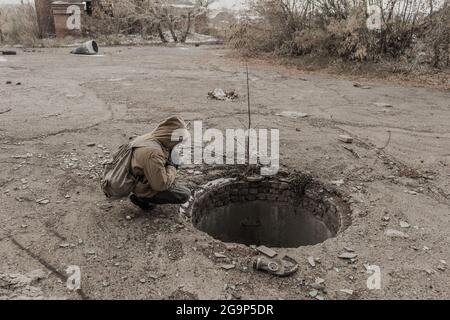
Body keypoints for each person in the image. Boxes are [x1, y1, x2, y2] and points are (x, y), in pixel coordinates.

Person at [128, 116, 191, 210]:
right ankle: (143, 198)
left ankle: (166, 182)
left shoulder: (152, 138)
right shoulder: (154, 153)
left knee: (174, 154)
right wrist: (171, 167)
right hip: (140, 185)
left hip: (138, 175)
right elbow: (160, 185)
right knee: (185, 194)